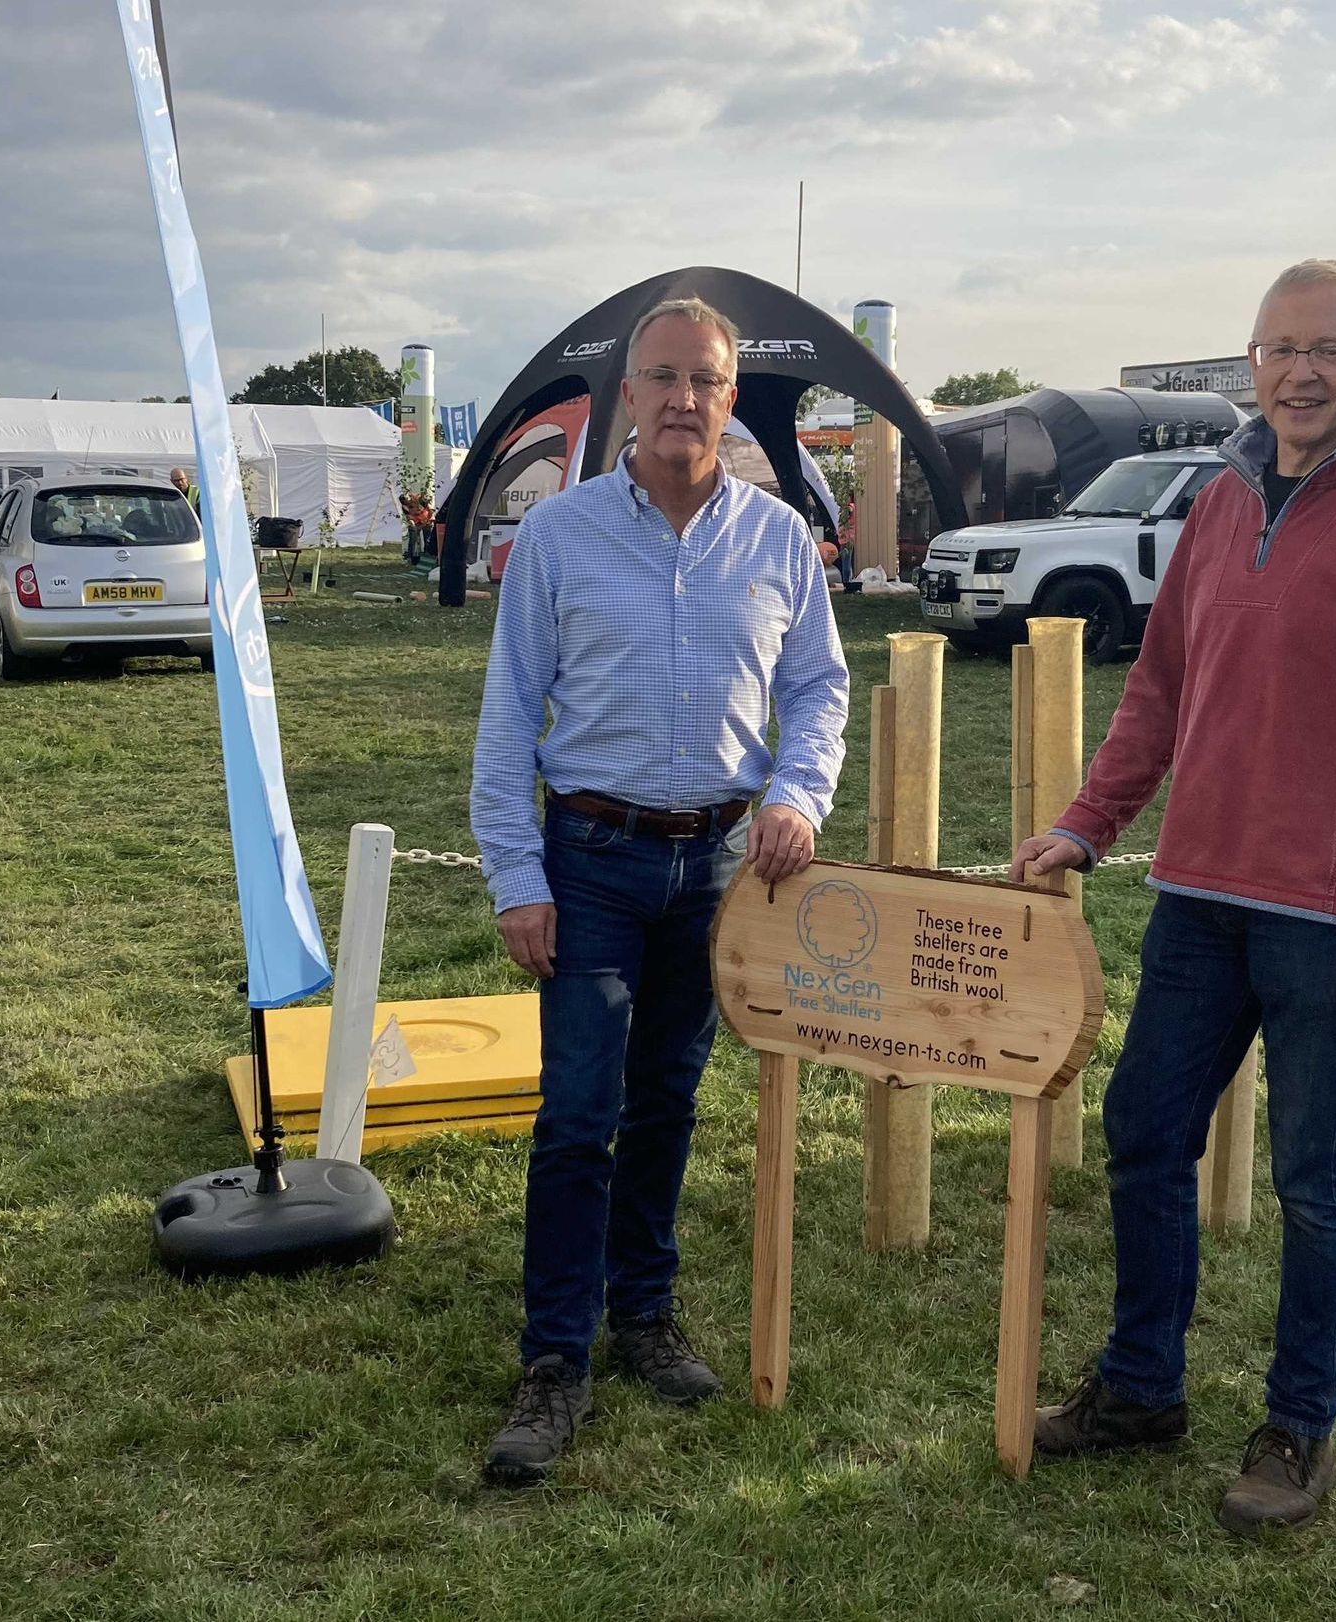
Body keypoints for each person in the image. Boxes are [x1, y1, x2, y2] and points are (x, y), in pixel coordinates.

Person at [1012, 260, 1336, 1535]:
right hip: (1196, 897)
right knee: (1144, 1132)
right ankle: (1142, 1387)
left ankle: (1298, 1424)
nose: (1301, 372)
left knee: (1316, 1181)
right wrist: (1083, 820)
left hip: (1334, 925)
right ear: (1251, 363)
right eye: (1279, 349)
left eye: (1330, 349)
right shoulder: (1220, 506)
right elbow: (1162, 691)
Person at [471, 296, 850, 1487]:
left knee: (670, 1098)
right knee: (579, 1112)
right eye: (663, 377)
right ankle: (554, 1357)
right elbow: (504, 722)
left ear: (732, 398)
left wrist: (798, 793)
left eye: (706, 379)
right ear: (625, 396)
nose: (684, 398)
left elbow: (823, 689)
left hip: (721, 866)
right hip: (589, 861)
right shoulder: (560, 537)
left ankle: (643, 1313)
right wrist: (515, 877)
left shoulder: (780, 538)